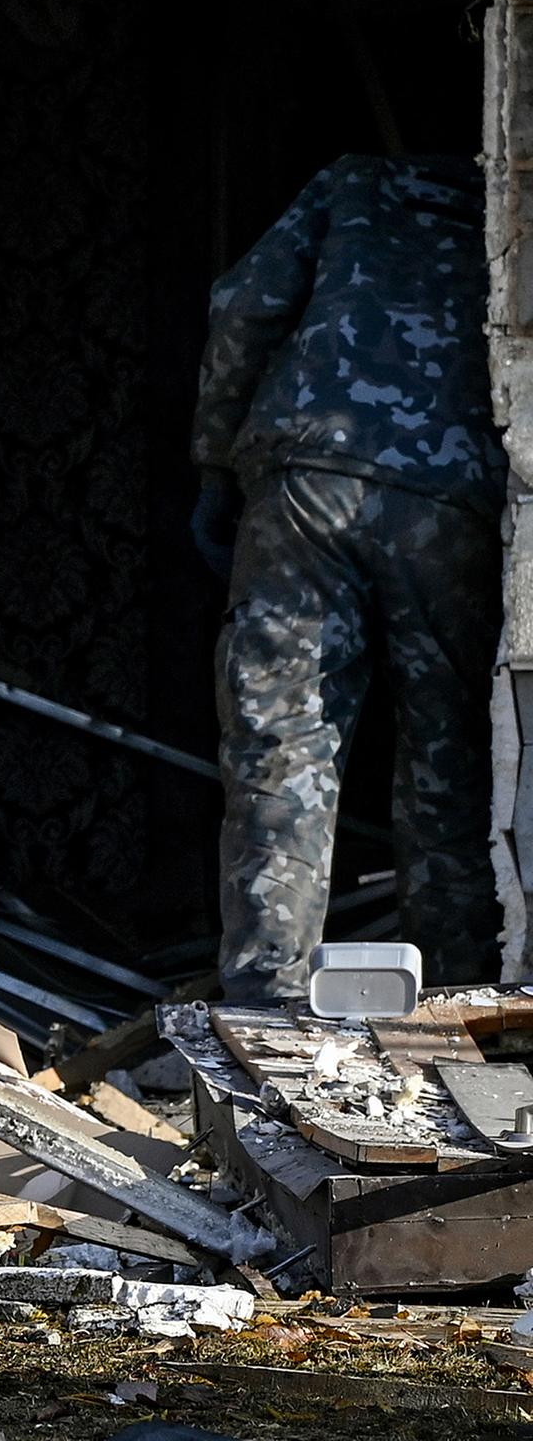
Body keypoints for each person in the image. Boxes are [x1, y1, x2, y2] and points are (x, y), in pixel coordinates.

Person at [191, 152, 503, 1002]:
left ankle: (266, 1001)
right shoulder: (508, 207)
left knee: (280, 739)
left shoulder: (351, 186)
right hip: (455, 496)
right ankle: (464, 1001)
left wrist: (216, 461)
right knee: (453, 756)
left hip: (305, 477)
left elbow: (243, 307)